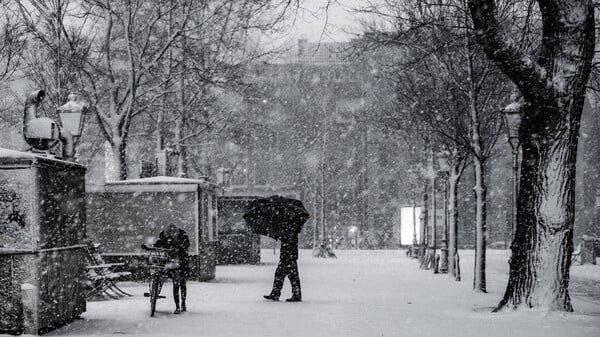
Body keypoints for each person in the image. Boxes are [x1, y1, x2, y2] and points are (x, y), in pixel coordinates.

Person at [154, 223, 190, 314]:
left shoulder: (182, 236)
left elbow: (186, 244)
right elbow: (159, 243)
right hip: (173, 262)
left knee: (180, 284)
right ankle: (179, 305)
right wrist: (154, 245)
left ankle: (182, 304)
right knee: (178, 283)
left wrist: (180, 247)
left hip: (181, 262)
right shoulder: (166, 237)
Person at [264, 232, 302, 302]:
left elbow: (288, 239)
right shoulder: (290, 229)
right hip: (288, 256)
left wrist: (282, 236)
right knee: (287, 275)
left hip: (288, 256)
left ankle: (277, 293)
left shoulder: (290, 230)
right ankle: (295, 294)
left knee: (287, 275)